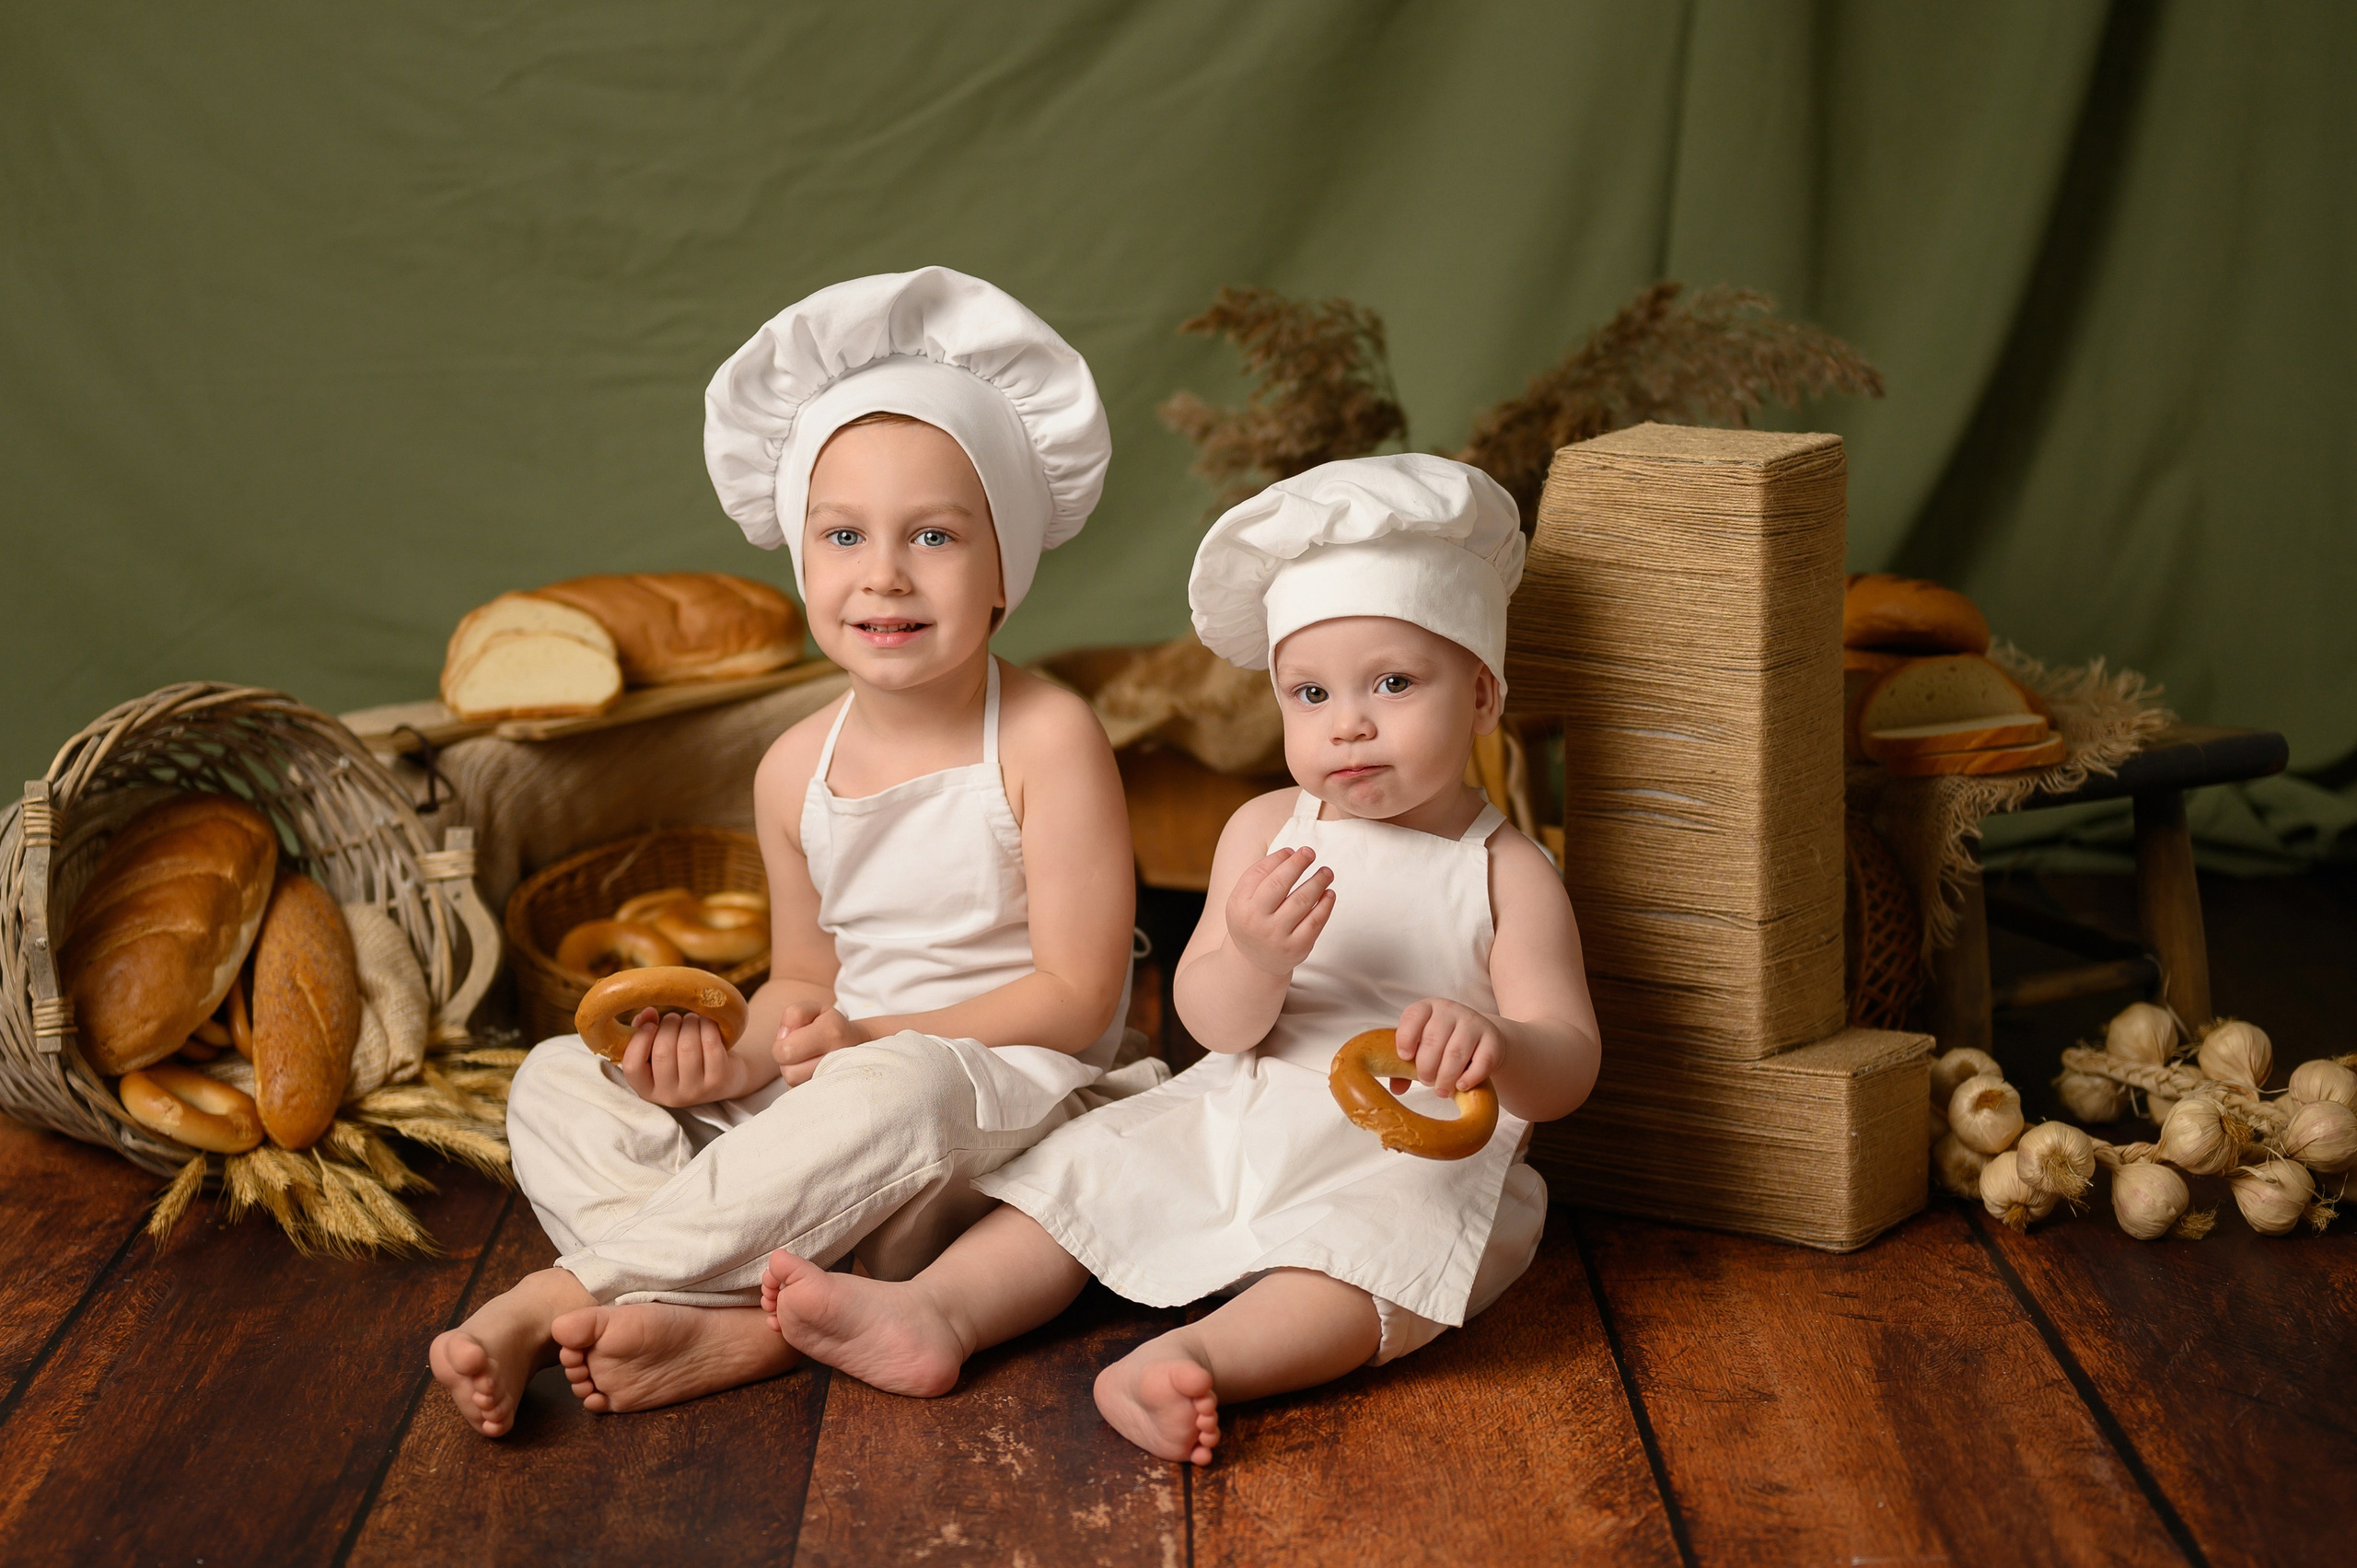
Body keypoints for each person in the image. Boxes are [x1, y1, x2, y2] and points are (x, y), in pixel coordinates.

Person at [760, 453, 1601, 1465]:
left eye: (1393, 683)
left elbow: (1567, 1065)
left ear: (1480, 695)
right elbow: (1213, 1021)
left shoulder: (1510, 872)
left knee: (1375, 1255)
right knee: (1082, 1169)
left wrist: (1498, 1041)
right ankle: (938, 1308)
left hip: (1416, 1149)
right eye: (1310, 692)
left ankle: (1197, 1356)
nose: (1349, 722)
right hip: (1250, 1103)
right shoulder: (1264, 830)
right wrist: (1252, 955)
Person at [430, 268, 1158, 1437]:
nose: (884, 571)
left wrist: (875, 1039)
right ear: (803, 559)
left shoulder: (1047, 736)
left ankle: (575, 1290)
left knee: (899, 1083)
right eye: (843, 534)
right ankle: (742, 1308)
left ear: (1005, 566)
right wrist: (726, 1064)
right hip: (824, 1116)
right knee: (553, 1074)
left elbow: (1077, 999)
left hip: (988, 1106)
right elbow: (803, 985)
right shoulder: (791, 768)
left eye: (934, 535)